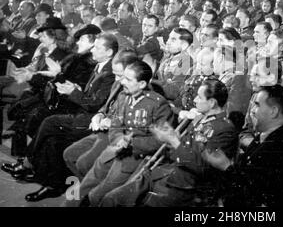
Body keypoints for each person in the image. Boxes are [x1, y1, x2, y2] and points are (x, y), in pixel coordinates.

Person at [99, 78, 238, 207]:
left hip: (184, 188)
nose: (195, 100)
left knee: (115, 201)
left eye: (199, 97)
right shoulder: (200, 119)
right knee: (110, 199)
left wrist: (174, 141)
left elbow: (203, 168)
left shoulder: (224, 129)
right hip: (165, 174)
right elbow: (185, 148)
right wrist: (170, 137)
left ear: (212, 102)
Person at [14, 33, 117, 202]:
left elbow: (96, 104)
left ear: (109, 52)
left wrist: (73, 92)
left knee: (49, 122)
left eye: (98, 47)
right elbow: (91, 95)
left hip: (90, 121)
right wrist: (75, 88)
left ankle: (29, 163)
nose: (93, 50)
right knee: (52, 140)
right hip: (83, 114)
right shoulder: (100, 66)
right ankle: (48, 182)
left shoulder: (110, 73)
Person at [63, 60, 174, 207]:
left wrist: (131, 143)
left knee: (98, 196)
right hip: (113, 151)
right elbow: (116, 125)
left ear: (141, 84)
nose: (122, 82)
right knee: (83, 187)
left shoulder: (158, 104)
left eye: (128, 79)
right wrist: (119, 139)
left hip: (133, 158)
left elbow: (160, 141)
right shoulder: (123, 96)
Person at [203, 85, 283, 206]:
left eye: (257, 105)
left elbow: (254, 192)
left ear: (273, 111)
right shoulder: (264, 136)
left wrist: (226, 166)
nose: (252, 110)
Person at [62, 49, 138, 179]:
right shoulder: (117, 83)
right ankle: (86, 189)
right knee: (69, 154)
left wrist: (111, 122)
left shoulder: (139, 91)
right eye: (115, 74)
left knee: (83, 163)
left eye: (120, 75)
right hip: (102, 131)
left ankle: (89, 192)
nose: (117, 79)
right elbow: (106, 105)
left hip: (117, 136)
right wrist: (100, 115)